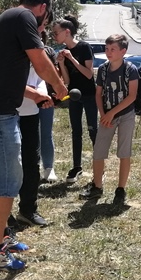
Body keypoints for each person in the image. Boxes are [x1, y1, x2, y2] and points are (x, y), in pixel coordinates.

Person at [0, 0, 67, 271]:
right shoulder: (23, 17)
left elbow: (8, 78)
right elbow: (41, 62)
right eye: (46, 18)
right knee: (8, 180)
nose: (43, 25)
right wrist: (60, 88)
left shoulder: (9, 20)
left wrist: (39, 94)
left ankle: (2, 236)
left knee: (9, 175)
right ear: (43, 9)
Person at [81, 34, 138, 203]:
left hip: (125, 115)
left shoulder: (130, 69)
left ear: (123, 51)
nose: (108, 52)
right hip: (107, 116)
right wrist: (103, 114)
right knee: (99, 151)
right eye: (107, 49)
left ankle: (121, 189)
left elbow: (132, 96)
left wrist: (112, 113)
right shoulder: (103, 69)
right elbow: (98, 94)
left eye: (113, 49)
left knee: (124, 152)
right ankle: (97, 186)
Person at [17, 25, 55, 227]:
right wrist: (35, 94)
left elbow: (41, 78)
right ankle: (0, 216)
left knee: (32, 162)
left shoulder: (41, 54)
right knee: (5, 164)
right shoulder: (10, 51)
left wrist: (44, 95)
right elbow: (7, 82)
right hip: (7, 113)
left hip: (30, 113)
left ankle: (28, 210)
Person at [54, 15, 98, 183]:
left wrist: (71, 58)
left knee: (93, 130)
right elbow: (67, 81)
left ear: (67, 32)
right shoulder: (63, 52)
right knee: (76, 131)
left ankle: (99, 166)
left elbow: (89, 74)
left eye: (56, 33)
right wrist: (62, 63)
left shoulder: (84, 47)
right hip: (74, 95)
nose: (54, 36)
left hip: (89, 95)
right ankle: (77, 167)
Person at [38, 28, 59, 183]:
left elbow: (55, 74)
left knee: (46, 133)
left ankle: (48, 168)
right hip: (25, 99)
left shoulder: (49, 51)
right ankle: (31, 167)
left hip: (46, 99)